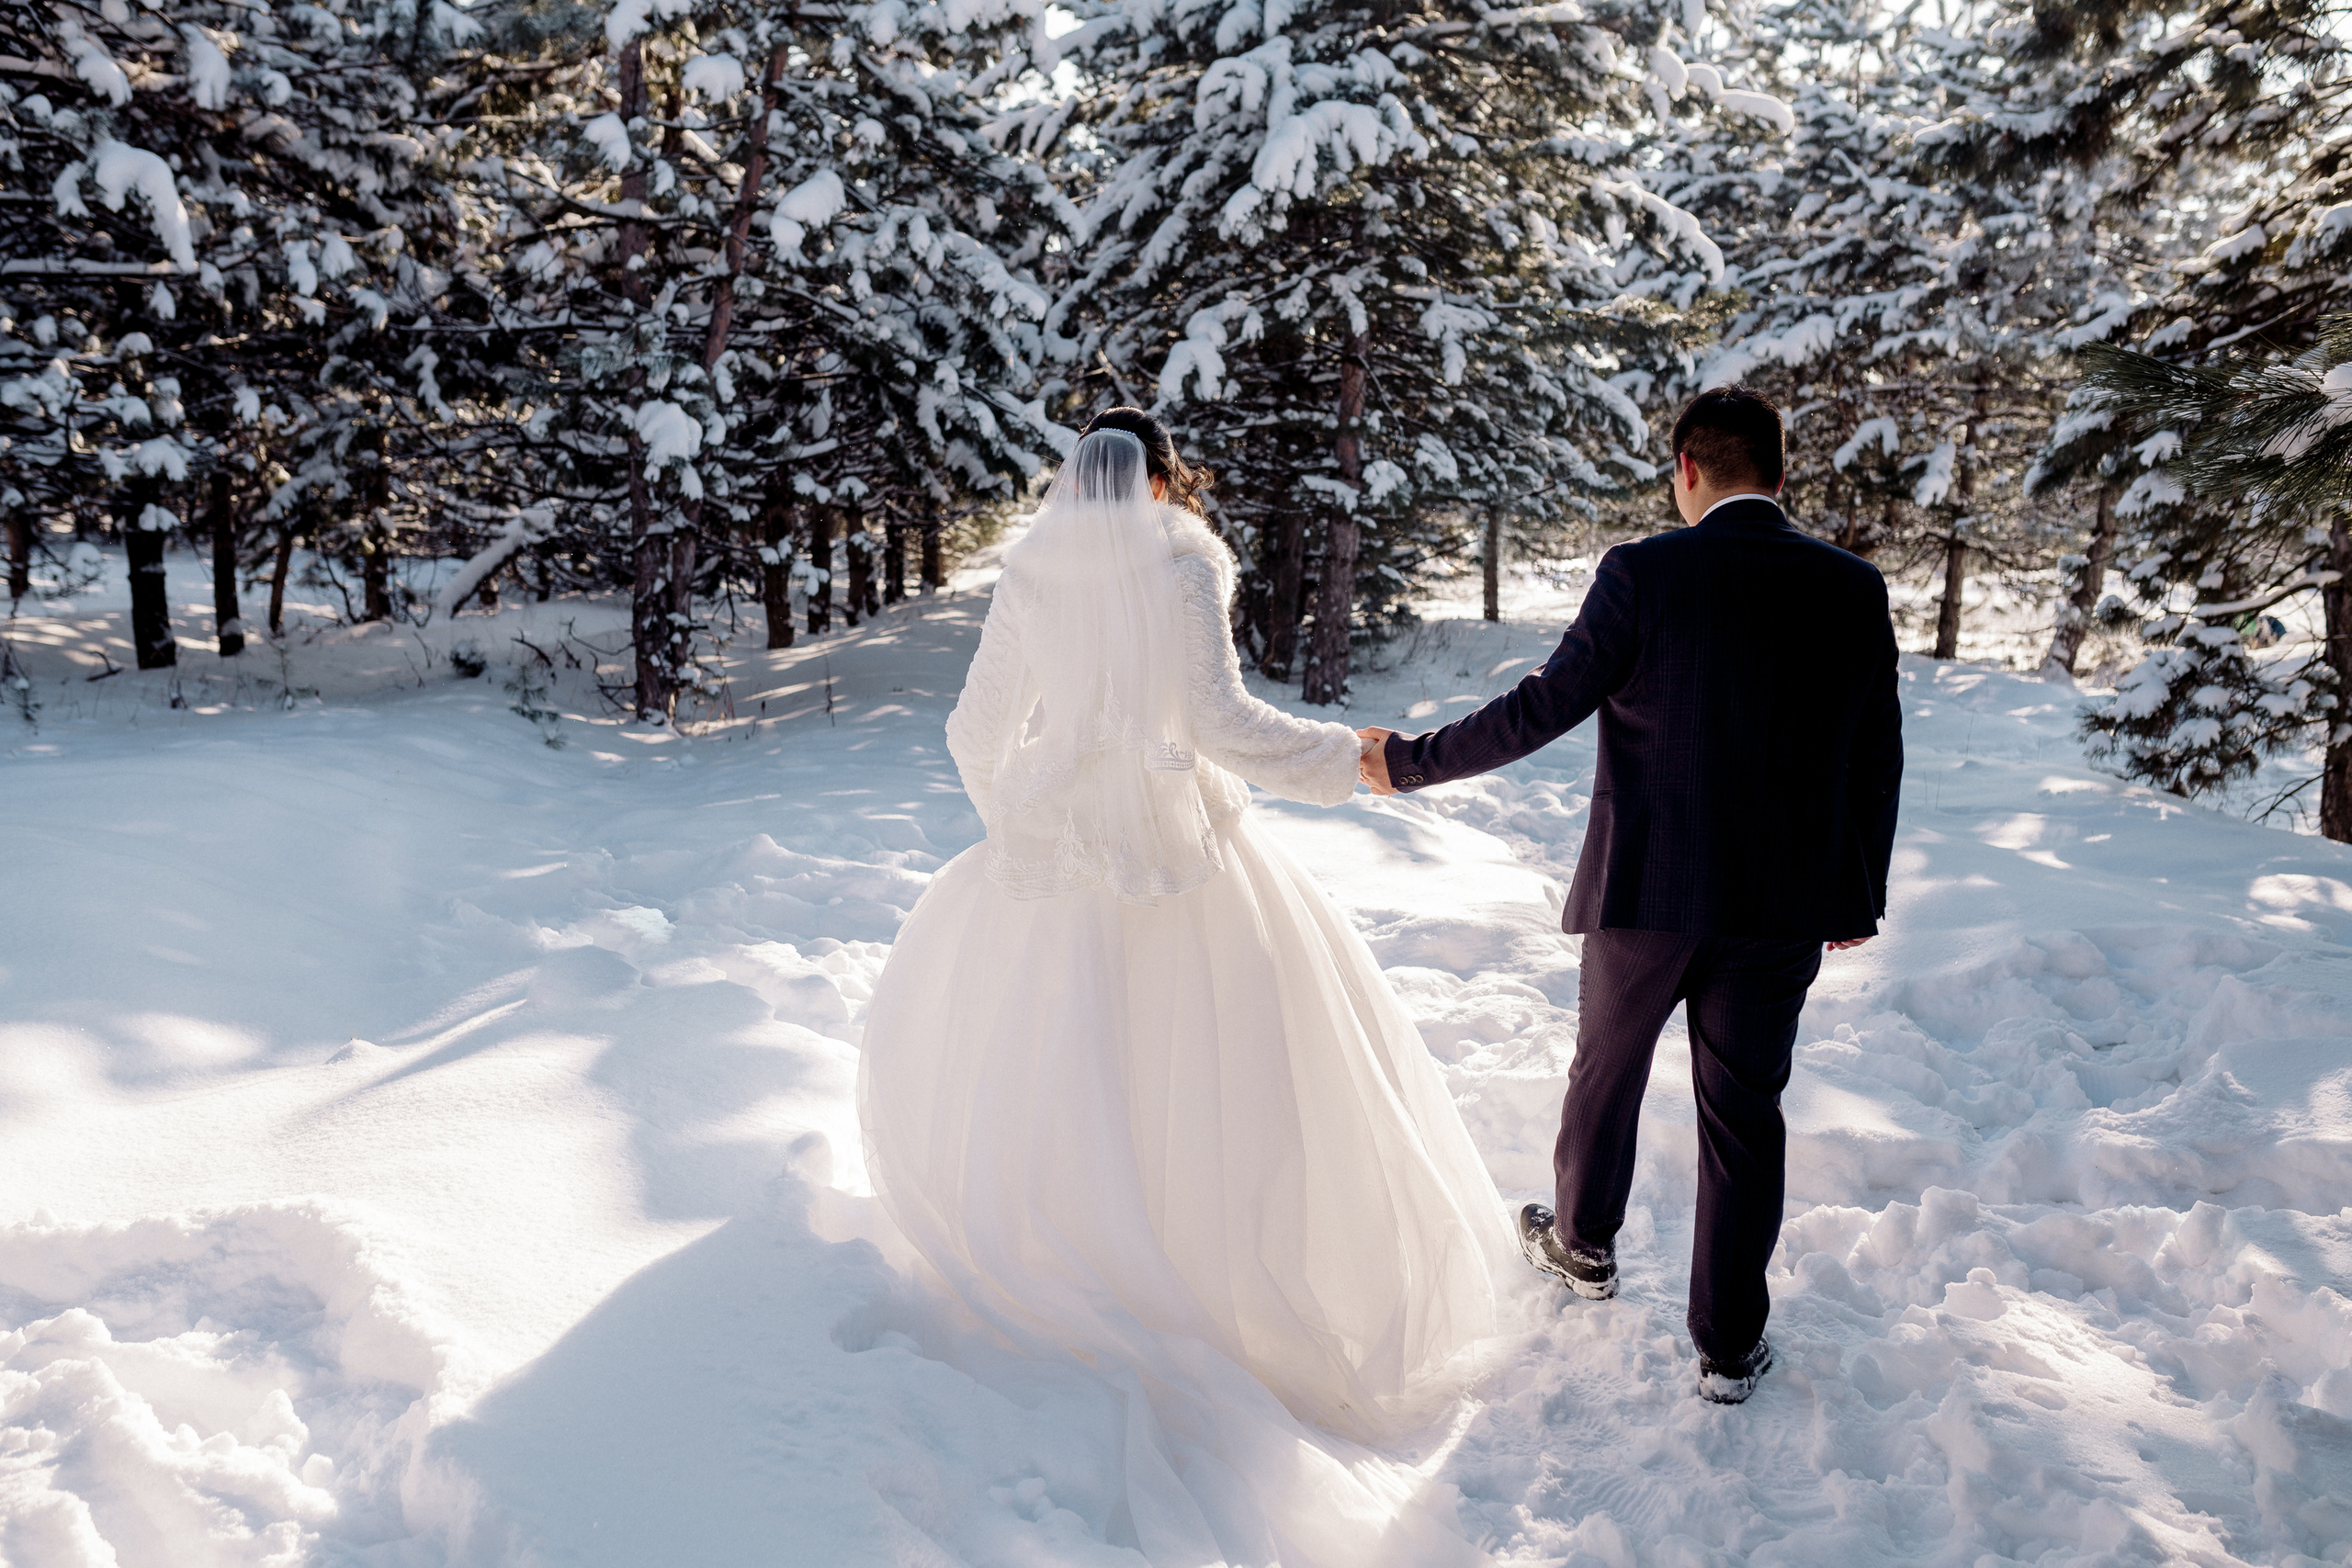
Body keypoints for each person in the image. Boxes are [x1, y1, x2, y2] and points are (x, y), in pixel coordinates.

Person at [859, 408, 1511, 1567]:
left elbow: (973, 731)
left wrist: (1027, 829)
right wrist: (1342, 761)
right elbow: (1216, 721)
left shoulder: (1033, 575)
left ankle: (1073, 1266)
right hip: (1180, 857)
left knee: (1065, 1073)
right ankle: (1218, 1290)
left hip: (1058, 863)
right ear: (1161, 483)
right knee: (1216, 1076)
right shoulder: (1181, 565)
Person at [1358, 386, 1904, 1404]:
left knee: (1605, 1072)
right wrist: (1853, 894)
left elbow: (1542, 706)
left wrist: (1410, 760)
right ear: (1781, 474)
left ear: (1686, 469)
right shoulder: (1851, 586)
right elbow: (1875, 755)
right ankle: (1729, 1348)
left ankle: (1583, 1245)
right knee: (1744, 1115)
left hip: (1647, 888)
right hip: (1782, 905)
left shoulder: (1643, 572)